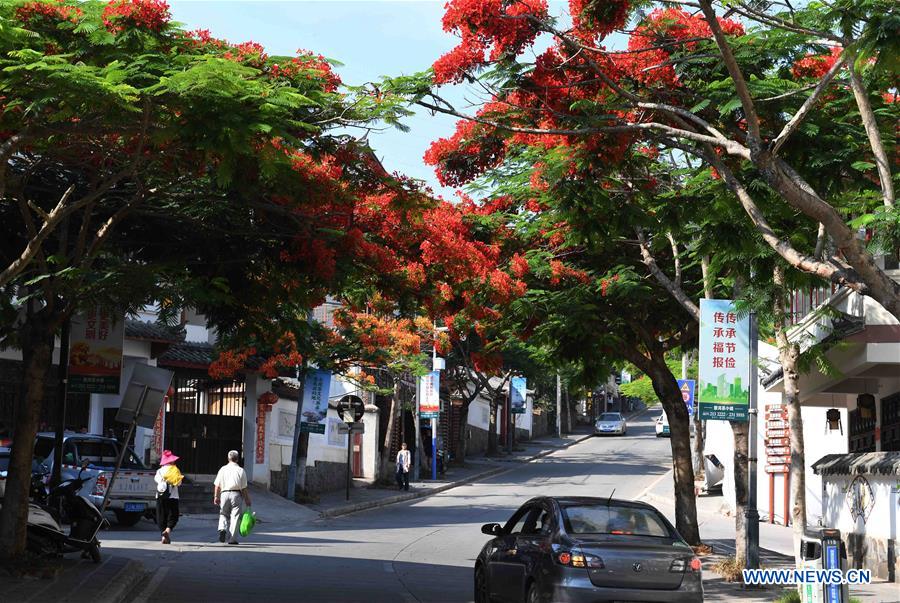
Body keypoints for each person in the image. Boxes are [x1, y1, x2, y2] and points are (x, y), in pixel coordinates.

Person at [213, 450, 251, 545]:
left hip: (224, 494)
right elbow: (244, 488)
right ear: (237, 459)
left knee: (223, 513)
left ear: (228, 458)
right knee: (235, 516)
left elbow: (217, 485)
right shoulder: (241, 470)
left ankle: (222, 528)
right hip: (236, 495)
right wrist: (247, 499)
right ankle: (232, 539)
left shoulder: (222, 469)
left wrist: (216, 496)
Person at [154, 450, 183, 544]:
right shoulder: (175, 470)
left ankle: (163, 536)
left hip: (160, 495)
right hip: (173, 496)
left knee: (161, 516)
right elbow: (179, 483)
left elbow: (157, 480)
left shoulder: (159, 471)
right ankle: (167, 531)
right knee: (173, 515)